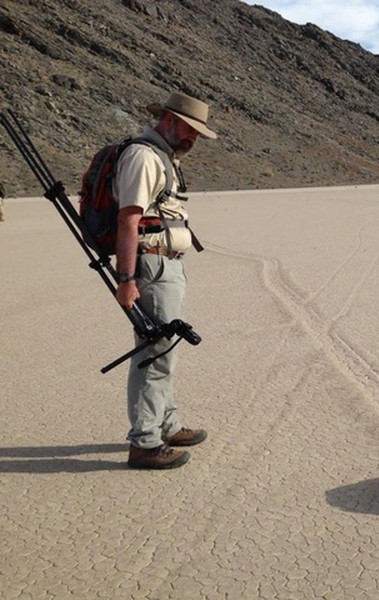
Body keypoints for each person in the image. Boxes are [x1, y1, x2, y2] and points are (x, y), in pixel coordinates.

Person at [114, 91, 217, 469]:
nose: (193, 139)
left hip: (165, 265)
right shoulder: (143, 156)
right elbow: (128, 219)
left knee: (165, 350)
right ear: (169, 121)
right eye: (190, 130)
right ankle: (144, 442)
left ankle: (166, 424)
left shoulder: (163, 157)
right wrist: (126, 279)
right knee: (154, 354)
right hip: (151, 267)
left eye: (197, 134)